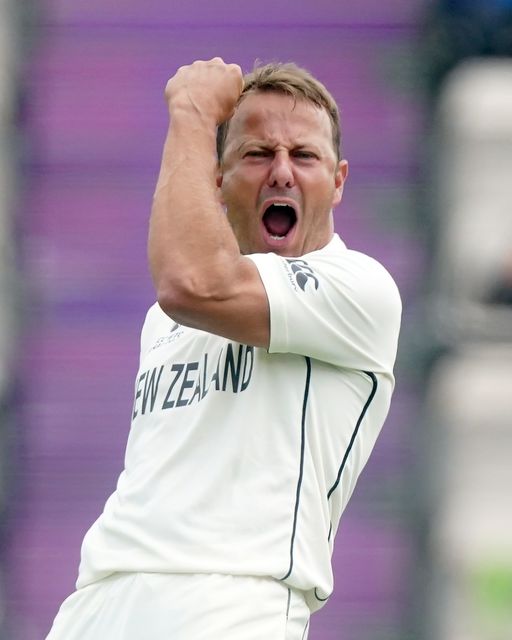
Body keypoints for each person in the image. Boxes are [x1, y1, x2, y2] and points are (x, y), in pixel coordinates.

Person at [45, 58, 401, 640]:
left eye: (304, 156)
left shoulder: (360, 288)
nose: (282, 172)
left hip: (232, 604)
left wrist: (190, 111)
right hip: (99, 598)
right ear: (216, 178)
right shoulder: (161, 320)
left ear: (338, 181)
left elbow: (191, 282)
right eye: (258, 154)